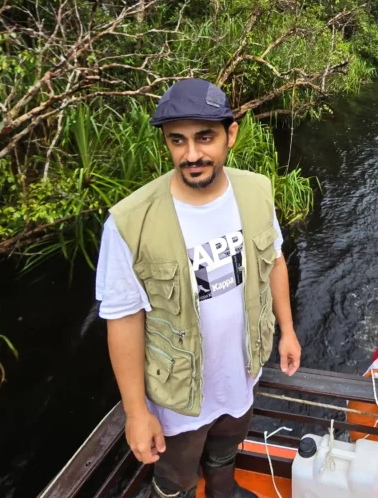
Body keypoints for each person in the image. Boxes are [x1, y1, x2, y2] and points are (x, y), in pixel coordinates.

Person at [94, 78, 302, 498]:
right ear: (166, 144)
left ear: (231, 135)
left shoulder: (256, 190)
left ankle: (224, 490)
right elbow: (122, 319)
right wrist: (137, 413)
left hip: (241, 373)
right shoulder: (128, 223)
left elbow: (275, 260)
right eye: (177, 141)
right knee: (177, 477)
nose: (191, 155)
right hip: (177, 395)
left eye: (204, 138)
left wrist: (288, 331)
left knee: (226, 449)